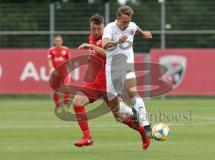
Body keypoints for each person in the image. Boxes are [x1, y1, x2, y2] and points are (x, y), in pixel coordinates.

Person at [73, 14, 150, 150]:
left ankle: (143, 132)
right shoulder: (92, 38)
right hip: (94, 83)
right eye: (94, 29)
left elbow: (106, 52)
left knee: (119, 117)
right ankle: (87, 137)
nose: (97, 32)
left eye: (99, 29)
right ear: (90, 28)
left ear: (104, 27)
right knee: (77, 102)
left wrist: (91, 46)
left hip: (109, 83)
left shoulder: (108, 37)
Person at [102, 5, 153, 140]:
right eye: (124, 22)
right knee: (115, 108)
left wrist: (144, 34)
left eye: (128, 21)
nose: (127, 24)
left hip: (127, 65)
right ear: (118, 18)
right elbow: (104, 44)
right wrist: (117, 41)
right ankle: (132, 112)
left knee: (132, 91)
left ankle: (147, 124)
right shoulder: (109, 28)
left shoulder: (132, 25)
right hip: (112, 69)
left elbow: (136, 29)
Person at [47, 35, 71, 111]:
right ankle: (58, 106)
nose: (58, 42)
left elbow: (69, 61)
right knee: (56, 90)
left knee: (67, 88)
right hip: (55, 73)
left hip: (64, 73)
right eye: (56, 41)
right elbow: (49, 61)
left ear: (62, 42)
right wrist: (52, 69)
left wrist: (71, 71)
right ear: (54, 42)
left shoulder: (66, 50)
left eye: (59, 40)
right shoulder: (51, 50)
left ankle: (66, 105)